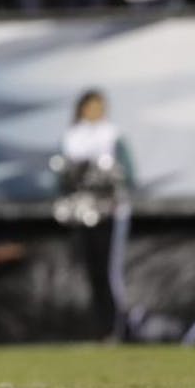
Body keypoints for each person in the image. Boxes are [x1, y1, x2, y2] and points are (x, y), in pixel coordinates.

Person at [57, 89, 135, 341]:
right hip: (82, 212)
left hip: (110, 210)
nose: (96, 112)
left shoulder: (112, 134)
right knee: (92, 271)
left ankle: (119, 328)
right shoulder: (72, 137)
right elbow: (61, 177)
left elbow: (129, 174)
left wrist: (112, 185)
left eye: (100, 107)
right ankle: (101, 328)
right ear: (81, 108)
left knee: (110, 271)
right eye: (91, 106)